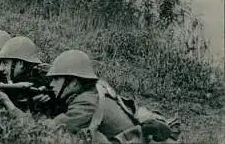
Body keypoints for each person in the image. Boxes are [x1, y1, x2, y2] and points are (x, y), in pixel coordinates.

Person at [44, 50, 180, 143]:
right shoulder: (96, 90)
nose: (51, 84)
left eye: (56, 79)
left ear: (73, 82)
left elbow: (54, 128)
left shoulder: (86, 101)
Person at [0, 36, 61, 117]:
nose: (1, 68)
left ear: (20, 64)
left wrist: (6, 101)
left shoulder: (38, 89)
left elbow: (32, 124)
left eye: (5, 63)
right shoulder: (24, 85)